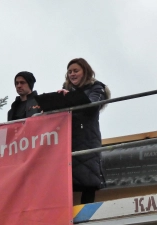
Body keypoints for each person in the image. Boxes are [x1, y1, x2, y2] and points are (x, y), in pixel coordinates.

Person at [57, 58, 111, 204]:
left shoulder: (97, 87)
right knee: (66, 180)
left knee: (89, 179)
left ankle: (87, 214)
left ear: (85, 71)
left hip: (88, 138)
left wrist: (70, 98)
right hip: (69, 138)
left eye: (76, 71)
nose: (72, 74)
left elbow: (93, 105)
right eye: (69, 72)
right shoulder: (66, 90)